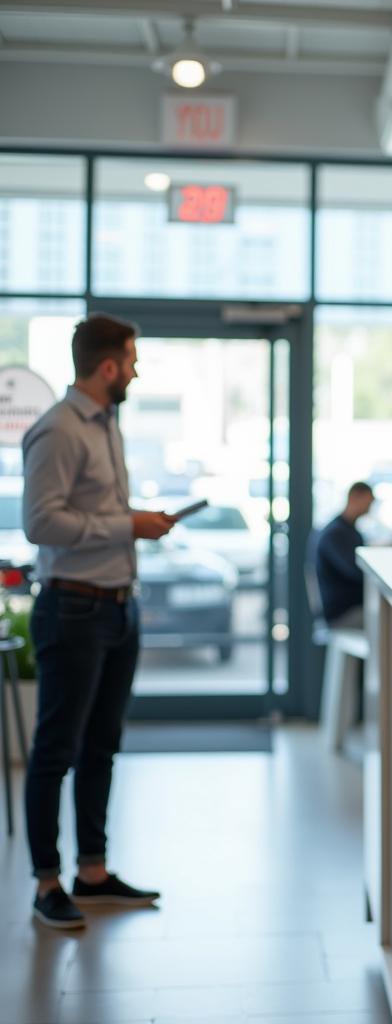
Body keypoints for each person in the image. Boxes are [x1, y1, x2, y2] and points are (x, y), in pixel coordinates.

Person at [22, 312, 177, 930]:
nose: (136, 371)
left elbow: (93, 512)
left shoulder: (106, 425)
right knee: (55, 751)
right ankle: (46, 883)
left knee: (101, 748)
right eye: (132, 361)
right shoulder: (59, 430)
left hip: (117, 606)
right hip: (74, 608)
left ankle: (92, 873)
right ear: (108, 365)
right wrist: (125, 525)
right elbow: (41, 523)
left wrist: (138, 520)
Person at [314, 481, 374, 628]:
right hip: (342, 613)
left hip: (351, 606)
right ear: (355, 497)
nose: (369, 508)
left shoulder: (347, 530)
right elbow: (357, 572)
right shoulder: (335, 534)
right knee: (391, 622)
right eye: (368, 502)